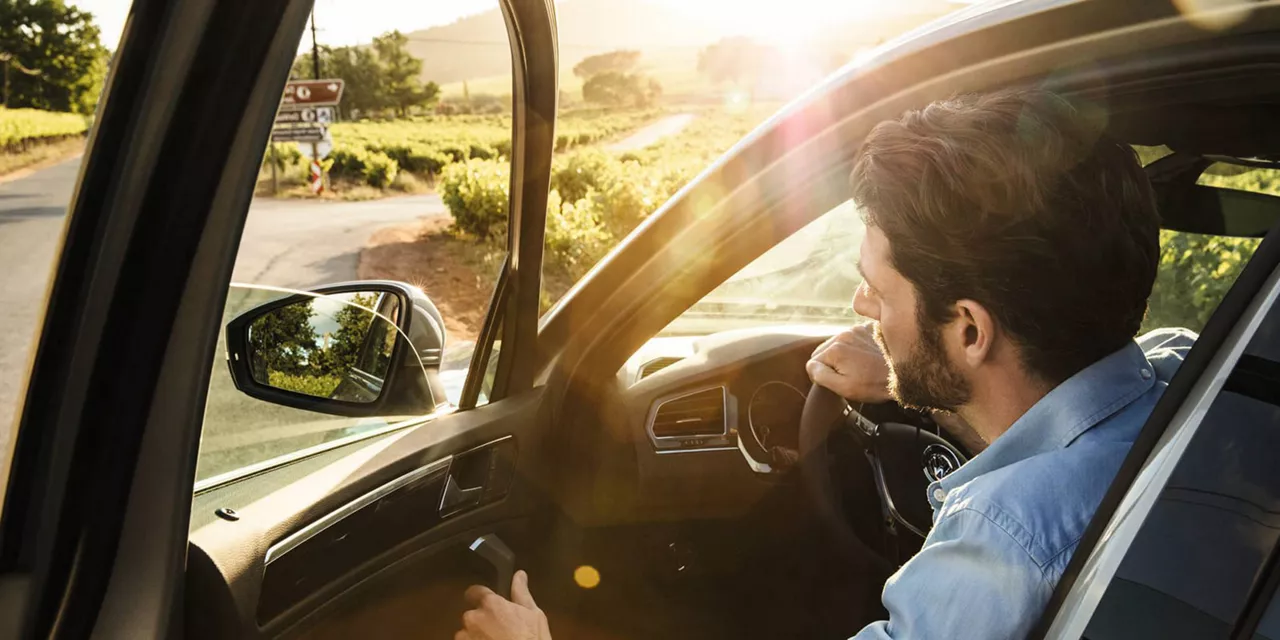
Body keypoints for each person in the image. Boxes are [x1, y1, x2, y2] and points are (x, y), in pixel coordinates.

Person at [453, 88, 1194, 640]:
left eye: (877, 288)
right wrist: (916, 385)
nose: (860, 304)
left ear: (969, 331)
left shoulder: (1005, 550)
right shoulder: (1185, 378)